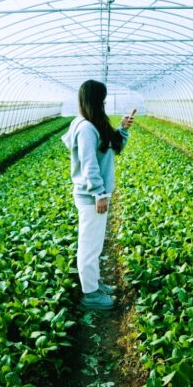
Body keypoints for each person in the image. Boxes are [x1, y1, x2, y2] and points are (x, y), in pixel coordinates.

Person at [62, 80, 135, 310]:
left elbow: (109, 148)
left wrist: (123, 128)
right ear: (94, 100)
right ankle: (90, 295)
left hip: (94, 196)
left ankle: (94, 284)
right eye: (102, 99)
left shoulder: (91, 124)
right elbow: (89, 164)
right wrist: (99, 194)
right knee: (89, 246)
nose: (104, 103)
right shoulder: (85, 128)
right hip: (91, 197)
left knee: (93, 244)